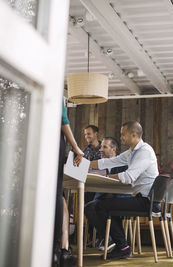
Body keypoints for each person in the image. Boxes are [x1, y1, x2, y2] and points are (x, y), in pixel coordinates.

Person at [89, 121, 159, 260]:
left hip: (146, 201)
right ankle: (121, 244)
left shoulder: (144, 151)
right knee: (102, 205)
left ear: (134, 135)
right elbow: (110, 162)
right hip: (142, 198)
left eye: (123, 134)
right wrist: (87, 164)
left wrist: (103, 175)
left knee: (101, 205)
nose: (121, 137)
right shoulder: (132, 152)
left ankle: (122, 246)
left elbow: (128, 177)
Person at [84, 137, 130, 251]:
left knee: (102, 206)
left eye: (104, 147)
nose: (100, 150)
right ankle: (107, 238)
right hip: (101, 197)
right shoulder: (98, 165)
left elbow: (127, 182)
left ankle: (111, 239)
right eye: (101, 147)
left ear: (113, 149)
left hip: (120, 197)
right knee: (89, 208)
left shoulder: (123, 164)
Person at [53, 101, 84, 267]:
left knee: (56, 195)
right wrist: (76, 147)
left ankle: (61, 248)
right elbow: (63, 120)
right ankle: (59, 250)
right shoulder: (55, 89)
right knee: (58, 195)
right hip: (54, 141)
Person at [82, 125, 101, 245]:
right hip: (88, 185)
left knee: (99, 209)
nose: (87, 136)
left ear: (96, 134)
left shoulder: (105, 147)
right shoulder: (84, 151)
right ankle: (91, 238)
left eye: (89, 134)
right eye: (85, 134)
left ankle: (100, 236)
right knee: (87, 209)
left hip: (102, 185)